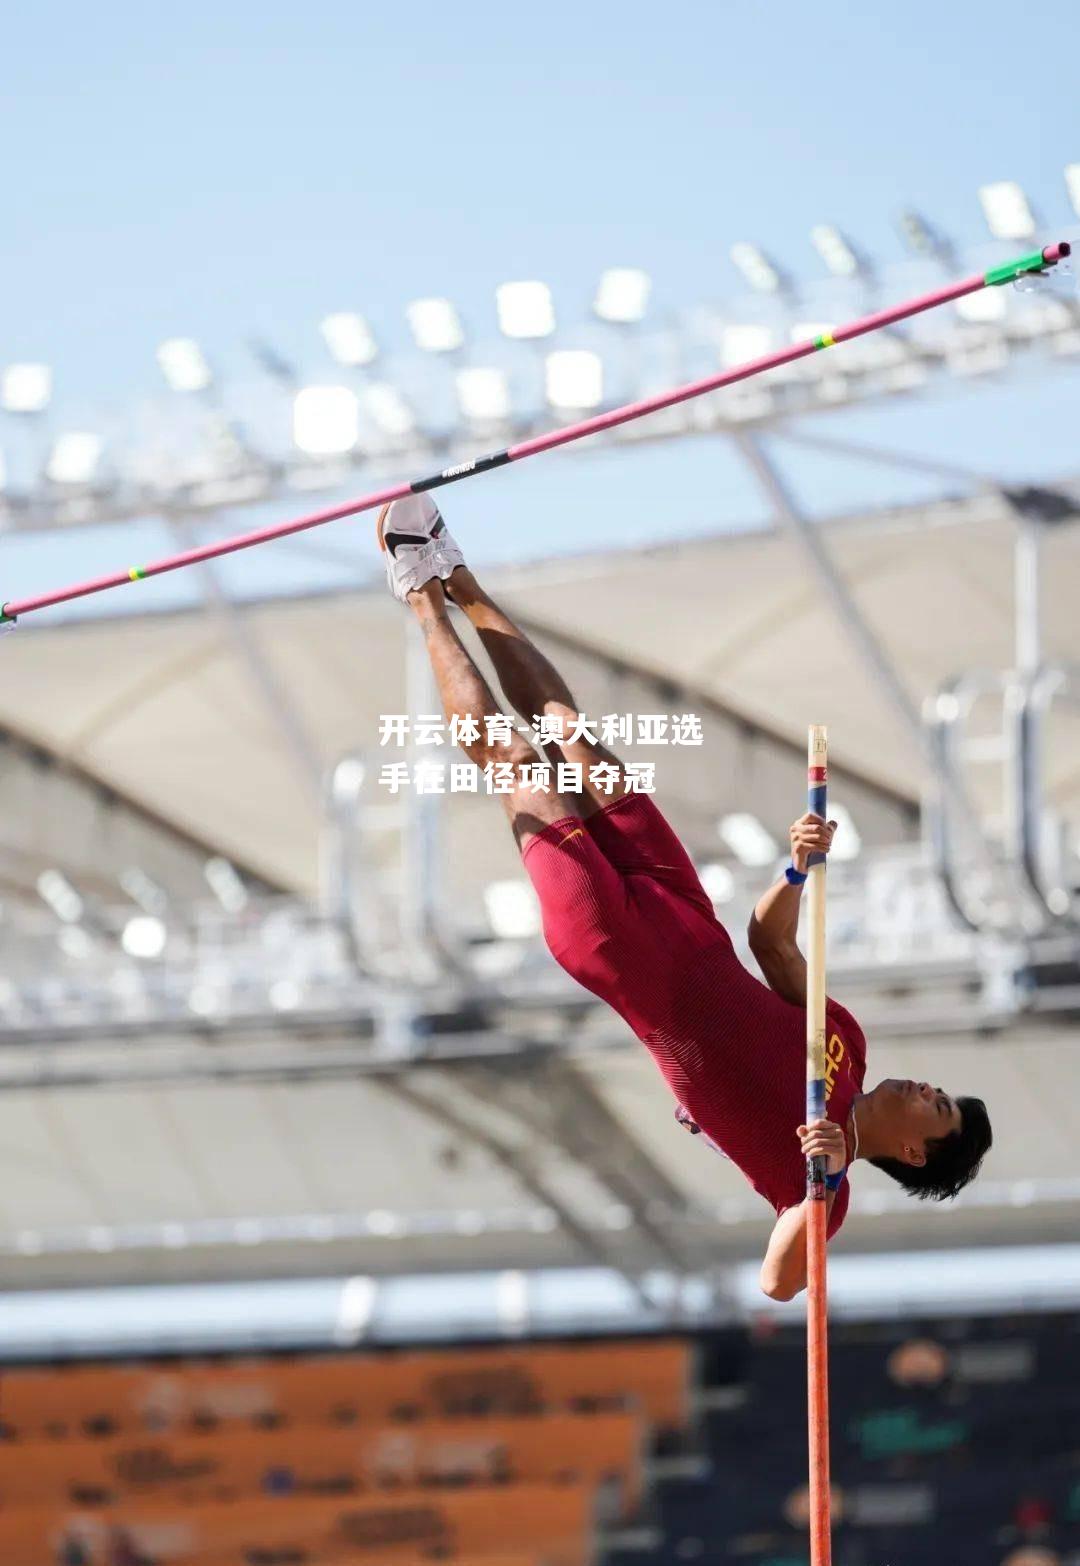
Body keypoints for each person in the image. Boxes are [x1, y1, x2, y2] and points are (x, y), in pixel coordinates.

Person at [377, 495, 993, 1301]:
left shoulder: (818, 1187)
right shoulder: (846, 1042)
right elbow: (771, 944)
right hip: (684, 911)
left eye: (936, 1107)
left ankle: (415, 593)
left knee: (517, 761)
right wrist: (795, 871)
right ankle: (450, 571)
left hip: (624, 954)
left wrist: (821, 1186)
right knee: (567, 732)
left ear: (914, 1153)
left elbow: (778, 1282)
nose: (923, 1088)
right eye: (938, 1090)